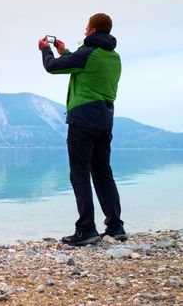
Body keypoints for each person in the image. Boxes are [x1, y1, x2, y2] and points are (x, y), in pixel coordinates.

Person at [38, 13, 126, 246]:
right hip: (105, 120)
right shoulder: (113, 57)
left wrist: (45, 51)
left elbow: (52, 67)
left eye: (86, 28)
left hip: (83, 120)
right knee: (103, 172)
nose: (84, 32)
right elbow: (81, 67)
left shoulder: (87, 54)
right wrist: (64, 51)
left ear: (94, 31)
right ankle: (116, 226)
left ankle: (86, 229)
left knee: (79, 173)